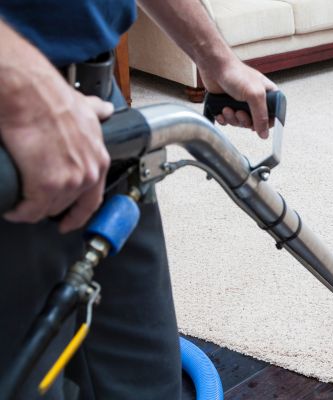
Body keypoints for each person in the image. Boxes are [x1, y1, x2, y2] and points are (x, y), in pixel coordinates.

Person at [0, 1, 276, 398]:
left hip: (97, 98)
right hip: (17, 124)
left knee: (149, 378)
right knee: (28, 383)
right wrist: (18, 81)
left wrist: (216, 60)